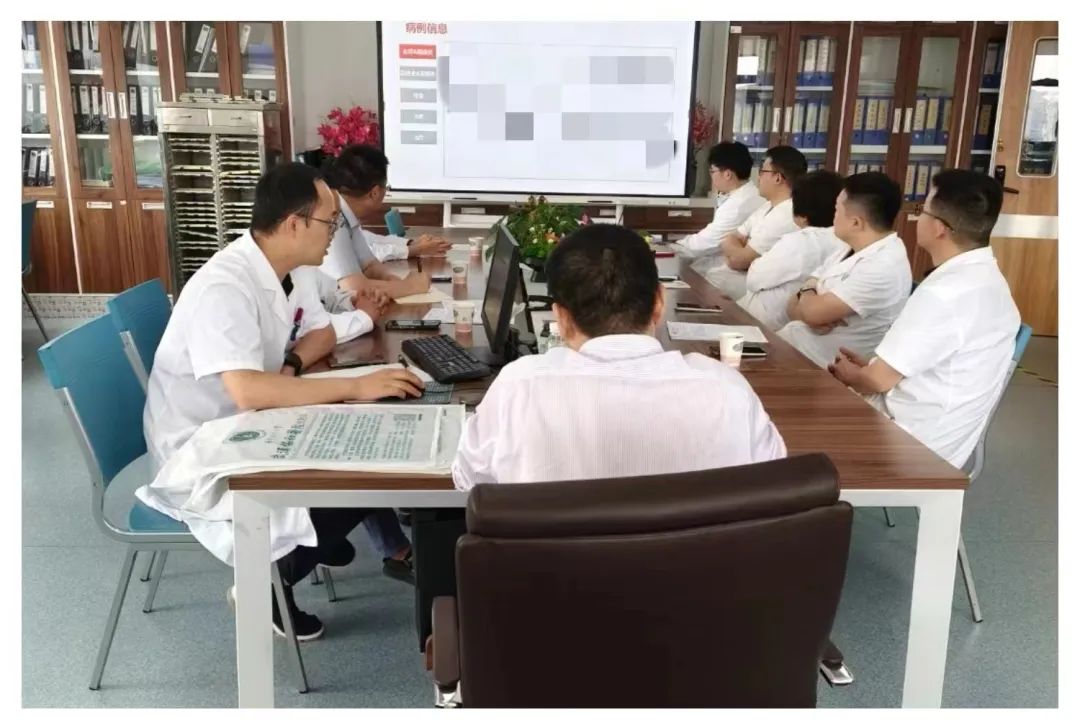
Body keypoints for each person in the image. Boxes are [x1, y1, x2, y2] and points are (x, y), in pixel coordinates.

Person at [138, 163, 424, 639]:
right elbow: (248, 391)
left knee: (363, 440)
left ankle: (310, 541)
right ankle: (268, 580)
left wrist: (290, 366)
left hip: (247, 418)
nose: (335, 233)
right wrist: (354, 386)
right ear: (294, 224)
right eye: (330, 221)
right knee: (361, 473)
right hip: (202, 445)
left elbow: (319, 333)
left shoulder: (291, 269)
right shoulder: (224, 286)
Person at [452, 223, 786, 489]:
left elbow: (469, 480)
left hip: (554, 559)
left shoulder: (519, 386)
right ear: (659, 303)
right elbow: (770, 483)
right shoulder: (726, 389)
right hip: (694, 558)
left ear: (561, 319)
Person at [828, 169, 1020, 469]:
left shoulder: (944, 294)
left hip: (908, 444)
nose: (918, 217)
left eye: (922, 210)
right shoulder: (991, 281)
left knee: (793, 413)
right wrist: (873, 368)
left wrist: (849, 374)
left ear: (940, 228)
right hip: (941, 436)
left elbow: (876, 382)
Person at [777, 172, 911, 369]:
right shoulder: (847, 247)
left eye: (837, 210)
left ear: (856, 222)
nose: (833, 216)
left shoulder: (883, 266)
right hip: (797, 347)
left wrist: (808, 297)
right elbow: (792, 308)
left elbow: (812, 312)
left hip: (823, 367)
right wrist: (810, 296)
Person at [320, 144, 449, 298]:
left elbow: (369, 266)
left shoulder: (348, 216)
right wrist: (410, 287)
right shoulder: (333, 219)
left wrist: (396, 282)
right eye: (386, 188)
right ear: (374, 193)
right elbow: (353, 288)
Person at [737, 170, 848, 331]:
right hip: (789, 321)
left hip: (764, 323)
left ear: (801, 214)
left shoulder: (800, 241)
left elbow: (754, 278)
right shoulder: (843, 242)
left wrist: (755, 263)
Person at [697, 145, 805, 299]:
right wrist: (739, 248)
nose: (758, 177)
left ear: (777, 178)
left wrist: (739, 250)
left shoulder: (786, 214)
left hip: (758, 288)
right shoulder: (767, 206)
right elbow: (730, 238)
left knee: (704, 284)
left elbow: (739, 260)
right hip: (739, 278)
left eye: (762, 172)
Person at [675, 141, 766, 256]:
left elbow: (704, 243)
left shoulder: (738, 206)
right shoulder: (750, 194)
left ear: (727, 174)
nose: (711, 176)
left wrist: (672, 246)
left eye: (712, 171)